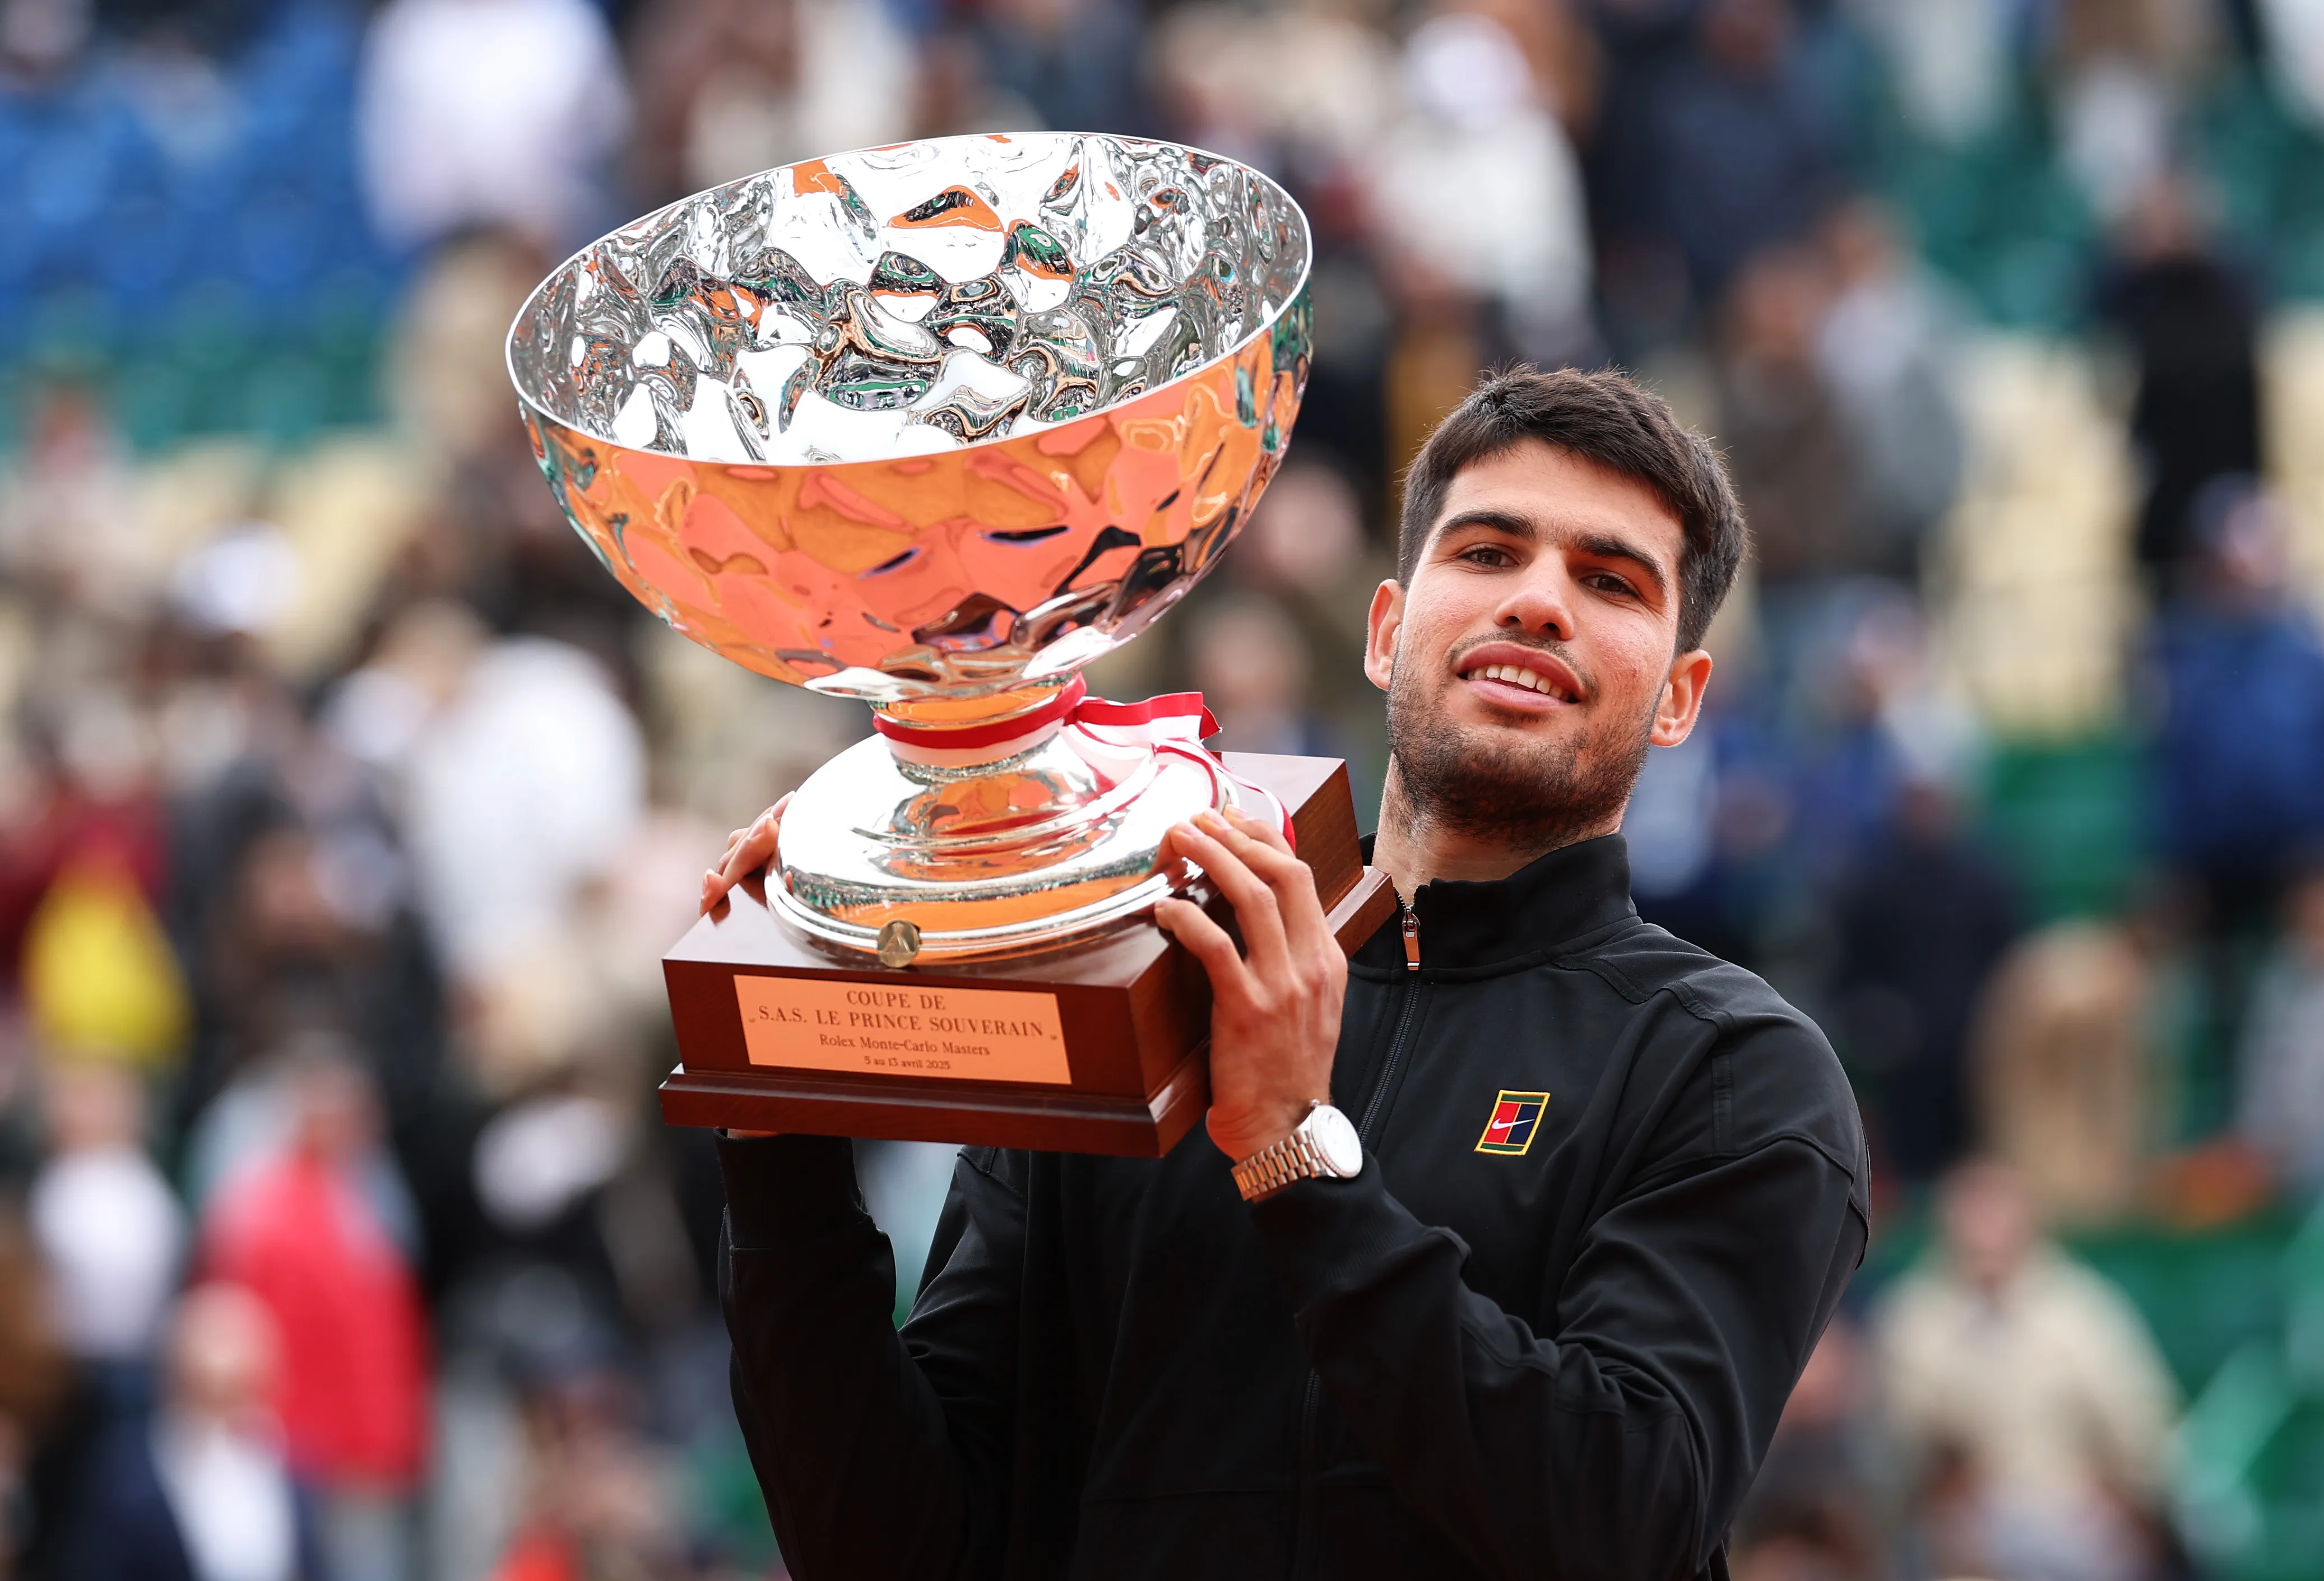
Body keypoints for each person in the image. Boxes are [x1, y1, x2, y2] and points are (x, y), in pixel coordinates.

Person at [699, 368, 1870, 1579]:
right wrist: (776, 1120)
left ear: (1679, 698)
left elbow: (1620, 1516)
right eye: (1485, 552)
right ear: (1382, 631)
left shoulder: (1730, 1067)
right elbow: (893, 1545)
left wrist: (1294, 1156)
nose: (1536, 602)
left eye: (1609, 580)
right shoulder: (1138, 983)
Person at [1875, 1160, 2178, 1581]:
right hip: (1961, 1523)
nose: (1986, 1231)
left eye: (1997, 1214)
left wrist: (2123, 1497)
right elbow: (1899, 1446)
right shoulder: (1914, 1314)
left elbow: (2141, 1427)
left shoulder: (2082, 1307)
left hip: (2071, 1513)